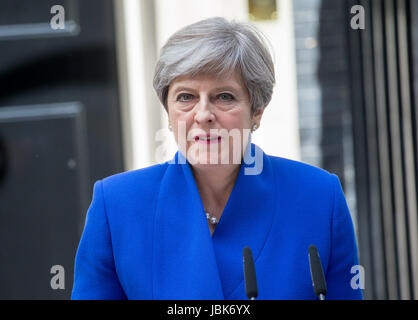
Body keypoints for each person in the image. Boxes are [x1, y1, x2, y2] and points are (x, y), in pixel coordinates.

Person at [71, 17, 363, 300]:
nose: (203, 115)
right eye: (185, 97)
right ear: (169, 112)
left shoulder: (319, 197)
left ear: (257, 110)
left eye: (224, 96)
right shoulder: (116, 205)